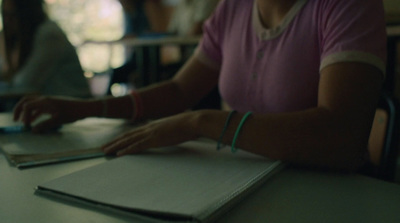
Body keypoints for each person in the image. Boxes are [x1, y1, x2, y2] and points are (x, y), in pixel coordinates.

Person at [13, 0, 386, 171]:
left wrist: (202, 123)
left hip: (325, 192)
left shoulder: (347, 6)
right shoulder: (233, 9)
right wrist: (83, 108)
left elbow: (342, 134)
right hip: (237, 178)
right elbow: (178, 91)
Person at [0, 0, 91, 100]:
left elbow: (25, 84)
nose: (8, 21)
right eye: (5, 15)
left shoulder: (49, 35)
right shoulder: (22, 39)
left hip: (73, 107)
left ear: (27, 13)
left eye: (13, 15)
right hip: (52, 107)